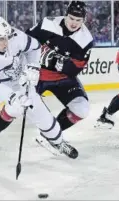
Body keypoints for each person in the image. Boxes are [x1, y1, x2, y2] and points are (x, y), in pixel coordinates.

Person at [0, 15, 78, 173]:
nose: (6, 42)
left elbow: (35, 47)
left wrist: (33, 66)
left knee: (39, 111)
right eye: (0, 39)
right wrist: (12, 97)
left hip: (17, 81)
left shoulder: (15, 36)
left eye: (6, 37)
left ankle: (58, 141)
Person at [25, 1, 93, 147]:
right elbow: (26, 42)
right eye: (71, 18)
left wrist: (52, 60)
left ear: (84, 20)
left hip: (64, 79)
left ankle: (50, 135)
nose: (74, 23)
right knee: (21, 105)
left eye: (78, 20)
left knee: (82, 109)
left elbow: (75, 69)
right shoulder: (47, 24)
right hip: (38, 75)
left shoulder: (85, 40)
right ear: (65, 15)